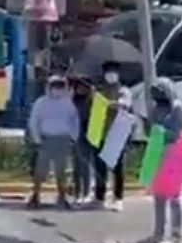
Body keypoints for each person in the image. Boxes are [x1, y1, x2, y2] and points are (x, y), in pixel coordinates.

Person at [146, 78, 182, 243]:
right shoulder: (157, 109)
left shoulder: (178, 109)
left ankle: (176, 236)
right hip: (158, 151)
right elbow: (153, 129)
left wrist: (161, 131)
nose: (158, 100)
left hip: (174, 152)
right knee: (159, 196)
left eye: (161, 95)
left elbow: (177, 133)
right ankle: (158, 233)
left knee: (174, 197)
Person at [27, 75, 80, 209]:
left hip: (62, 140)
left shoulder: (68, 103)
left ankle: (62, 196)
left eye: (61, 86)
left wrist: (73, 138)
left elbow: (75, 122)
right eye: (55, 86)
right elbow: (33, 121)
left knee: (61, 171)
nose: (58, 89)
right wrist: (37, 139)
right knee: (40, 170)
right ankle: (35, 195)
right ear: (49, 87)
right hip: (45, 139)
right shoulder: (41, 103)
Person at [93, 61, 132, 211]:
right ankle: (99, 197)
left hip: (117, 134)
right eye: (108, 72)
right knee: (100, 168)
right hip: (102, 133)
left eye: (113, 71)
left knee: (118, 168)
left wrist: (110, 104)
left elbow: (124, 104)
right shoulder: (101, 91)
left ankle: (118, 198)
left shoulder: (123, 90)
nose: (110, 75)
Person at [70, 77, 95, 206]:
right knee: (76, 168)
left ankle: (86, 192)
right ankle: (76, 193)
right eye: (78, 87)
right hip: (75, 136)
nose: (80, 89)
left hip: (88, 135)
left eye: (83, 87)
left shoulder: (92, 101)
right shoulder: (73, 101)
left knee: (86, 166)